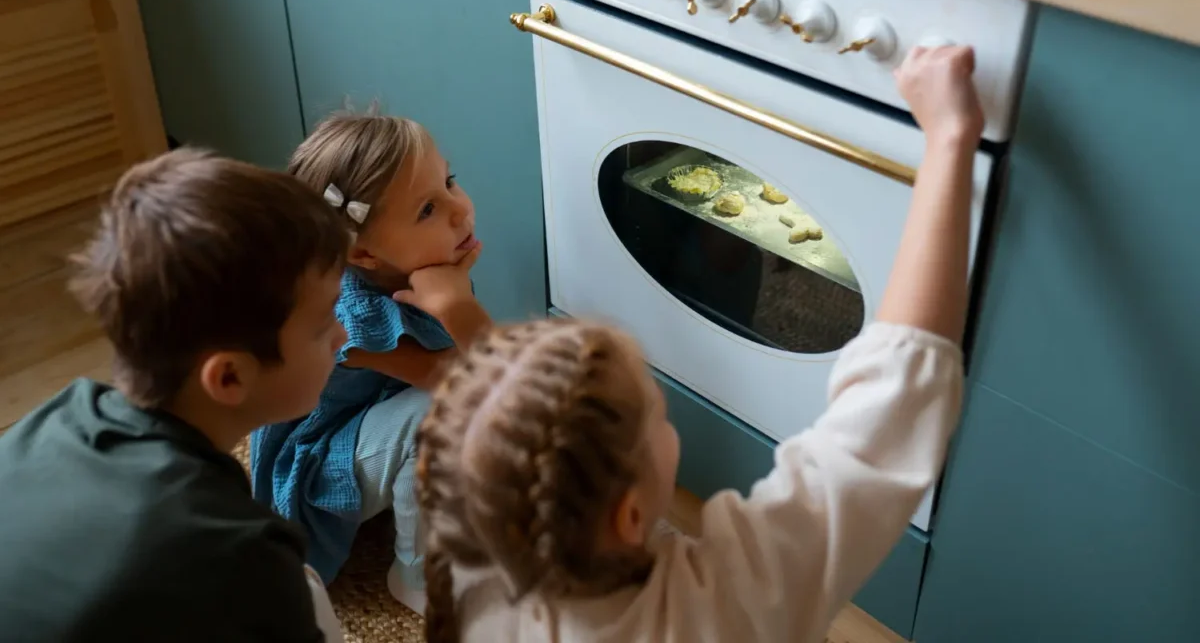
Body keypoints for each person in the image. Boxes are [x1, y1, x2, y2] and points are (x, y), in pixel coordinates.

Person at [413, 44, 986, 642]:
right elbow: (882, 427)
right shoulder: (734, 603)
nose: (666, 420)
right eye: (657, 415)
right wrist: (950, 140)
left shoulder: (474, 574)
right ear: (631, 515)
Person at [0, 148, 349, 642]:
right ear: (228, 378)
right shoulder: (241, 551)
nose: (340, 335)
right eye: (322, 325)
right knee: (307, 591)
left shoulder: (50, 422)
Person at [250, 110, 490, 616]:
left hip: (369, 419)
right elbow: (478, 376)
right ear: (363, 256)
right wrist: (459, 307)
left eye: (449, 181)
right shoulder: (348, 318)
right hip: (315, 456)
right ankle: (417, 575)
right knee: (445, 411)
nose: (459, 210)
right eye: (428, 209)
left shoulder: (417, 268)